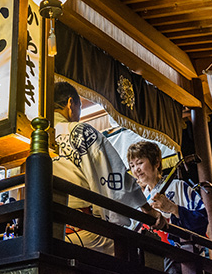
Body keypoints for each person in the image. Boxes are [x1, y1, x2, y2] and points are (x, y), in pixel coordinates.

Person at [52, 81, 167, 255]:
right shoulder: (79, 131)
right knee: (131, 255)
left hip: (48, 230)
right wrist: (148, 210)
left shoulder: (35, 136)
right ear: (70, 104)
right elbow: (116, 176)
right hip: (83, 229)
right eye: (79, 107)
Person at [127, 140, 208, 273]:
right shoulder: (142, 198)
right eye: (132, 165)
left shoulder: (177, 186)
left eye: (140, 163)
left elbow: (202, 219)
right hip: (152, 255)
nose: (136, 169)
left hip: (179, 255)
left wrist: (173, 209)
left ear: (156, 163)